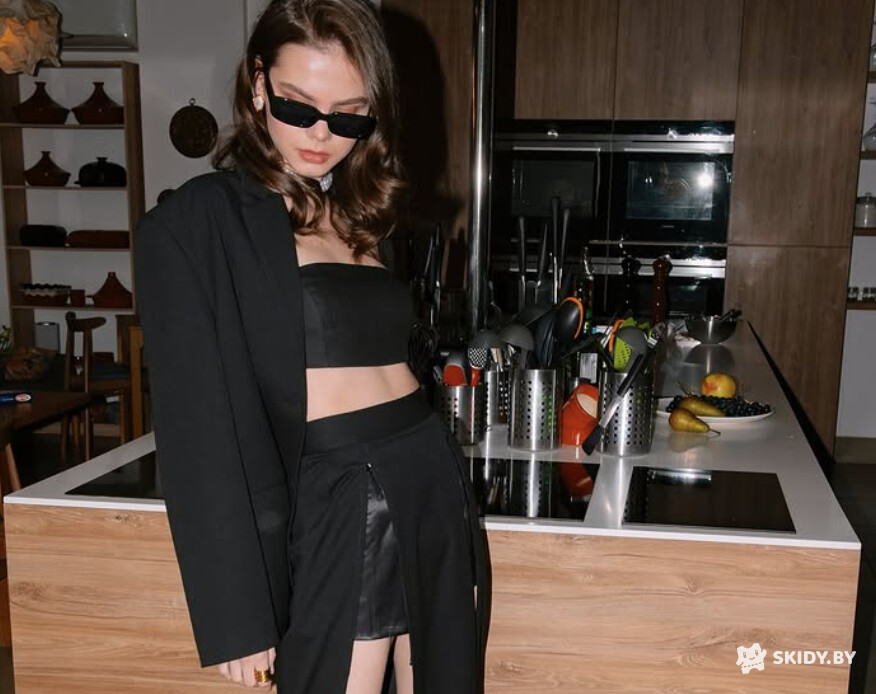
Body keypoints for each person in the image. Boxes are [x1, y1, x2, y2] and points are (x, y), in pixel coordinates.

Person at [134, 1, 488, 693]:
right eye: (299, 107)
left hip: (428, 472)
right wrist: (236, 612)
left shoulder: (359, 212)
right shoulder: (198, 221)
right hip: (345, 496)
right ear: (258, 84)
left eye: (349, 115)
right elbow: (194, 426)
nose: (323, 134)